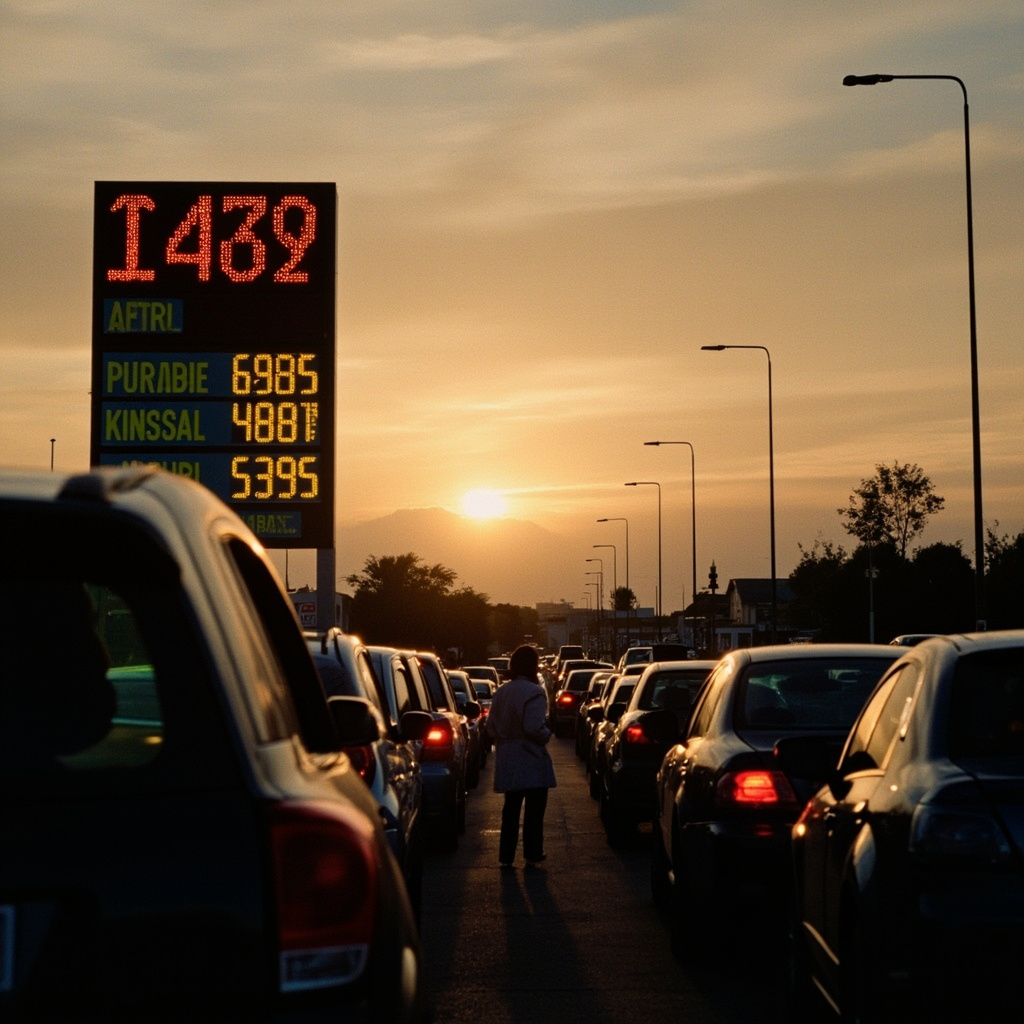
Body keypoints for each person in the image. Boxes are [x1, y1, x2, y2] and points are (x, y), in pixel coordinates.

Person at [485, 644, 557, 867]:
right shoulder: (535, 692)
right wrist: (546, 734)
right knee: (534, 810)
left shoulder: (502, 692)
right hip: (530, 757)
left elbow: (490, 727)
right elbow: (533, 726)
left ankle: (506, 856)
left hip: (507, 757)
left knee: (511, 809)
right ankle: (532, 852)